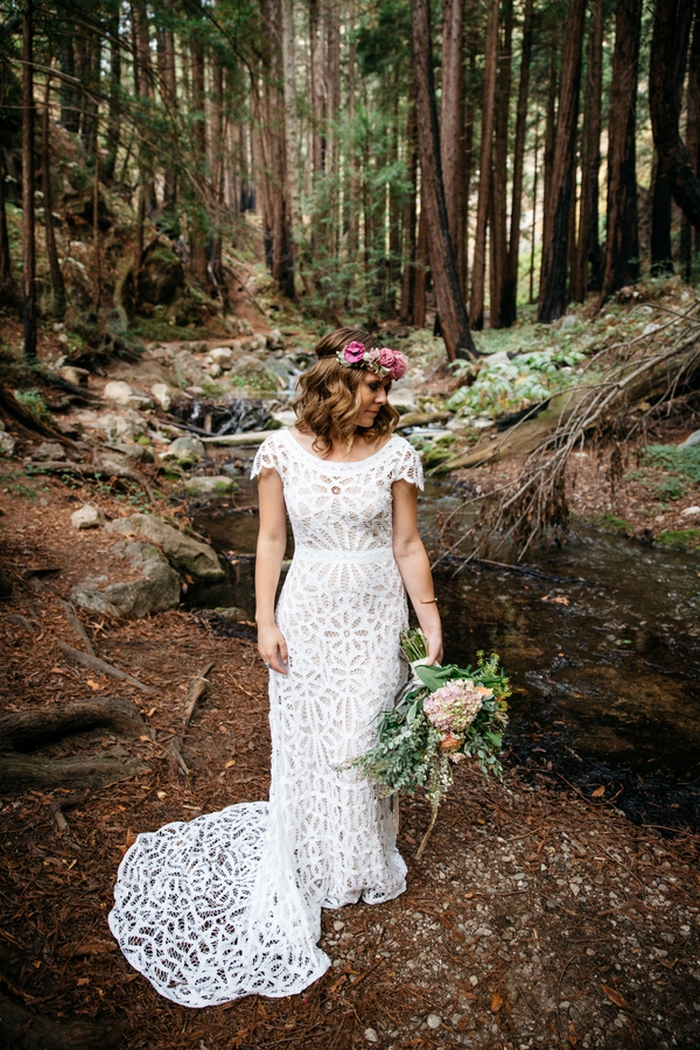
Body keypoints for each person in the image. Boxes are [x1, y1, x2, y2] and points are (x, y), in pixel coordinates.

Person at [107, 327, 442, 1007]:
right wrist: (263, 620)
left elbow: (407, 544)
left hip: (378, 612)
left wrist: (431, 620)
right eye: (372, 387)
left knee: (365, 735)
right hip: (309, 608)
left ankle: (360, 860)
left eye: (385, 388)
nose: (382, 399)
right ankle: (316, 859)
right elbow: (268, 539)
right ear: (336, 387)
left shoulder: (397, 455)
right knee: (315, 738)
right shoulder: (279, 451)